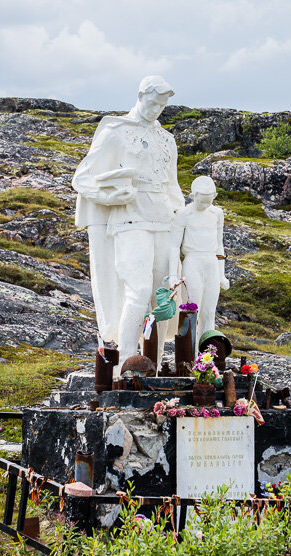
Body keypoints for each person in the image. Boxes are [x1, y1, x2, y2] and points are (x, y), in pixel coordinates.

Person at [71, 75, 185, 364]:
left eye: (162, 105)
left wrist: (181, 219)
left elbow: (172, 186)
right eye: (152, 102)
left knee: (162, 296)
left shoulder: (166, 139)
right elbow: (82, 178)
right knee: (139, 289)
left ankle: (155, 364)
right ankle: (126, 363)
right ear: (140, 96)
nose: (156, 109)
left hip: (161, 219)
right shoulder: (116, 132)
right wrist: (110, 197)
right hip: (129, 218)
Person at [169, 175, 228, 334]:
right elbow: (174, 246)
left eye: (208, 201)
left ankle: (207, 355)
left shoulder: (217, 213)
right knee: (191, 309)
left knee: (209, 312)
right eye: (201, 201)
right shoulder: (184, 214)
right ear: (193, 196)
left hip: (211, 263)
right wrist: (173, 274)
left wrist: (222, 274)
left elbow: (219, 245)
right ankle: (188, 354)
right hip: (193, 261)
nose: (205, 205)